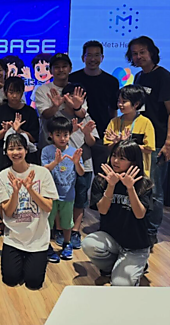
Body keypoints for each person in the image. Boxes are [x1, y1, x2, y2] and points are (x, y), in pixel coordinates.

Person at [126, 36, 170, 248]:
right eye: (134, 53)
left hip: (157, 144)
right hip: (138, 141)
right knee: (137, 186)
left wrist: (169, 142)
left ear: (152, 53)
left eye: (142, 52)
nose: (138, 56)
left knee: (154, 189)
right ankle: (138, 227)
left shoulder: (163, 77)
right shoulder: (139, 76)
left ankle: (150, 232)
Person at [82, 140, 153, 286]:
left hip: (136, 246)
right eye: (114, 155)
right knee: (89, 243)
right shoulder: (102, 179)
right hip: (111, 239)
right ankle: (111, 269)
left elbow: (140, 214)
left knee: (121, 285)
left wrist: (130, 188)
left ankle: (138, 264)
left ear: (133, 162)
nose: (115, 161)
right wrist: (111, 186)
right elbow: (102, 210)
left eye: (122, 158)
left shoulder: (144, 183)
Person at [0, 133, 58, 290]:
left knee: (34, 283)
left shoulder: (42, 173)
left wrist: (30, 189)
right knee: (10, 279)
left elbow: (48, 207)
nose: (15, 152)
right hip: (14, 238)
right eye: (11, 149)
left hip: (38, 238)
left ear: (26, 150)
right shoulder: (2, 177)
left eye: (19, 148)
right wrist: (15, 192)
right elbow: (8, 213)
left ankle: (32, 261)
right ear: (6, 152)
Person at [0, 76, 40, 233]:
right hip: (1, 158)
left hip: (24, 159)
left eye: (17, 92)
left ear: (23, 92)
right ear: (5, 92)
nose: (14, 96)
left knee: (23, 190)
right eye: (11, 92)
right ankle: (3, 221)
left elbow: (34, 138)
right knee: (1, 190)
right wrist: (6, 130)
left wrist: (19, 130)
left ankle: (22, 220)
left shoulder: (30, 112)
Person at [60, 84, 99, 250]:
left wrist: (87, 134)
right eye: (70, 96)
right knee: (62, 198)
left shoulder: (86, 117)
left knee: (80, 199)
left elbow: (92, 143)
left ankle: (75, 231)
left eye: (78, 97)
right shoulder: (58, 117)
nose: (74, 99)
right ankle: (62, 230)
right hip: (62, 166)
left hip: (85, 165)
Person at [41, 117, 84, 263]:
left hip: (68, 195)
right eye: (58, 135)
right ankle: (46, 246)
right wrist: (55, 162)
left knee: (67, 222)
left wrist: (77, 163)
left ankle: (67, 244)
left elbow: (81, 172)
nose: (62, 138)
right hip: (49, 195)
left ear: (70, 134)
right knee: (48, 223)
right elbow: (44, 170)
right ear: (51, 135)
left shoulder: (74, 151)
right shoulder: (47, 150)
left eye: (65, 134)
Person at [35, 53, 87, 149]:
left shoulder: (76, 89)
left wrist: (77, 107)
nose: (61, 70)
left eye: (64, 66)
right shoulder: (42, 90)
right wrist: (55, 106)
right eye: (57, 67)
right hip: (49, 144)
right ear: (50, 70)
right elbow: (45, 115)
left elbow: (83, 114)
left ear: (70, 69)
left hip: (75, 144)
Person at [69, 41, 119, 139]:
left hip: (103, 130)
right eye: (89, 55)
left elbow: (113, 109)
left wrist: (113, 130)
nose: (92, 59)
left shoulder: (112, 81)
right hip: (76, 130)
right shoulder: (72, 79)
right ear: (83, 58)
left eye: (96, 55)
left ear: (102, 58)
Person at [104, 85, 155, 177]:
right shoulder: (114, 122)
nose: (120, 104)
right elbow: (108, 147)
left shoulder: (145, 123)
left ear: (136, 104)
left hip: (137, 173)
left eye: (124, 102)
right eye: (119, 101)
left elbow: (149, 149)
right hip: (114, 172)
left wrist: (127, 144)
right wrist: (116, 143)